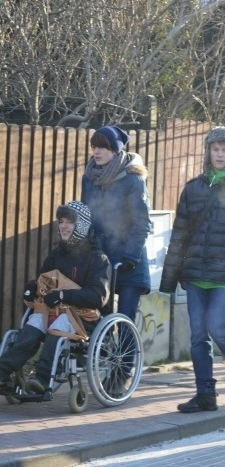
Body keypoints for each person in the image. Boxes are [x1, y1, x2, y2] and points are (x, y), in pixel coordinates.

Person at [159, 126, 225, 413]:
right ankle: (206, 394)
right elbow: (179, 234)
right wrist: (169, 279)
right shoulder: (193, 188)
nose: (219, 154)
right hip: (195, 275)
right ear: (208, 151)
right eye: (215, 149)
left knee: (217, 326)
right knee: (197, 335)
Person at [0, 202, 110, 393]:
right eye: (61, 221)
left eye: (70, 222)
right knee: (33, 325)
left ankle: (41, 380)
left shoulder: (98, 258)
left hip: (84, 317)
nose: (63, 226)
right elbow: (44, 281)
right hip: (54, 310)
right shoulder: (57, 254)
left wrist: (62, 295)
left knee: (58, 325)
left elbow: (98, 296)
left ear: (82, 225)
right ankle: (2, 373)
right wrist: (32, 288)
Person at [81, 125, 152, 322]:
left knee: (124, 319)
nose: (96, 151)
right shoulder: (88, 178)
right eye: (94, 146)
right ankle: (103, 354)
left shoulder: (134, 180)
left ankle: (127, 354)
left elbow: (142, 223)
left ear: (115, 149)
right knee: (98, 319)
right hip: (100, 261)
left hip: (129, 261)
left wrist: (130, 256)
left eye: (102, 147)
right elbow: (86, 217)